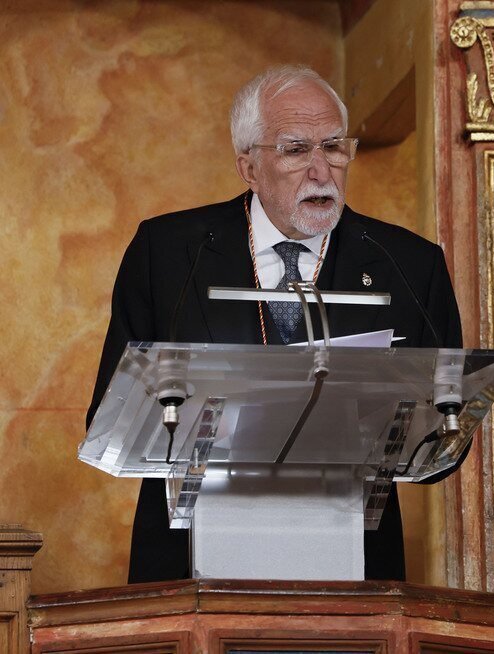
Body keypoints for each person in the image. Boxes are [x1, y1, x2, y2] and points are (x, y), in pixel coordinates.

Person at [86, 64, 462, 584]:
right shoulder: (169, 253)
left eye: (333, 147)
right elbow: (111, 415)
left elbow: (444, 438)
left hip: (355, 568)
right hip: (189, 567)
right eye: (295, 149)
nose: (321, 170)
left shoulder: (409, 264)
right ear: (248, 167)